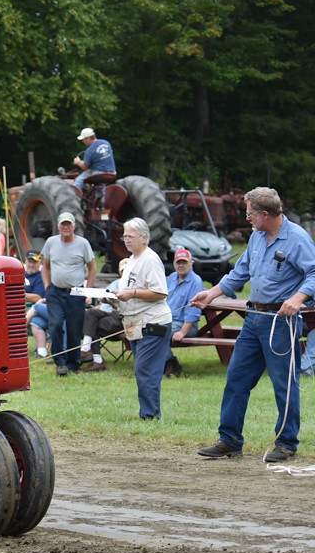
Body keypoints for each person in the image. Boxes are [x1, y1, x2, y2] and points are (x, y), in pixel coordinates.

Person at [193, 187, 315, 462]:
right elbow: (241, 272)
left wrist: (298, 297)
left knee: (284, 384)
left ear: (264, 214)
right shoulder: (256, 237)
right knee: (236, 378)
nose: (246, 218)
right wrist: (211, 294)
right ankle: (230, 440)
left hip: (281, 323)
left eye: (249, 213)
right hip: (254, 319)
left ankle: (286, 444)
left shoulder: (297, 239)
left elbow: (314, 273)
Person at [111, 218, 172, 419]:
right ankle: (148, 412)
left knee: (146, 370)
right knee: (142, 370)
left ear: (144, 238)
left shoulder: (150, 259)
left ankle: (151, 415)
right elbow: (128, 289)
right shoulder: (132, 259)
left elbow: (160, 292)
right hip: (135, 323)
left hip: (153, 323)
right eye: (125, 236)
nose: (126, 240)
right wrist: (115, 297)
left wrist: (132, 294)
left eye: (131, 236)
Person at [42, 211, 97, 375]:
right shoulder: (51, 242)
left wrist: (88, 291)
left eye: (69, 224)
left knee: (74, 329)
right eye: (63, 224)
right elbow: (45, 266)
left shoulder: (83, 243)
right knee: (56, 324)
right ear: (58, 226)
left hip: (76, 292)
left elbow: (93, 268)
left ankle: (73, 364)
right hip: (55, 292)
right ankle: (60, 362)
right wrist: (47, 287)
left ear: (74, 226)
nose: (66, 227)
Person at [79, 257, 129, 372]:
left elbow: (124, 308)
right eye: (123, 271)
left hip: (123, 319)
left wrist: (111, 303)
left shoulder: (132, 285)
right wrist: (106, 302)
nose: (125, 273)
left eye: (127, 271)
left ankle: (90, 354)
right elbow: (105, 305)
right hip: (109, 315)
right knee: (89, 314)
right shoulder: (115, 284)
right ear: (119, 271)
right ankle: (94, 358)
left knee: (93, 322)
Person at [164, 248, 203, 377]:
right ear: (174, 264)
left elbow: (193, 311)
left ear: (191, 264)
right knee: (148, 330)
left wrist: (182, 332)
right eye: (178, 262)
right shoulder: (172, 278)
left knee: (158, 332)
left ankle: (171, 364)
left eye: (184, 263)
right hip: (166, 321)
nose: (181, 265)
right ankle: (170, 362)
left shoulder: (196, 282)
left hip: (184, 324)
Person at [23, 250, 49, 358]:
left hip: (33, 308)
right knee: (35, 321)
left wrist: (17, 294)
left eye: (34, 262)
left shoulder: (41, 277)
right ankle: (42, 351)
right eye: (29, 262)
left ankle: (20, 330)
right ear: (25, 261)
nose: (31, 265)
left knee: (36, 317)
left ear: (40, 263)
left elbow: (37, 298)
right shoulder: (20, 274)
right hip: (17, 308)